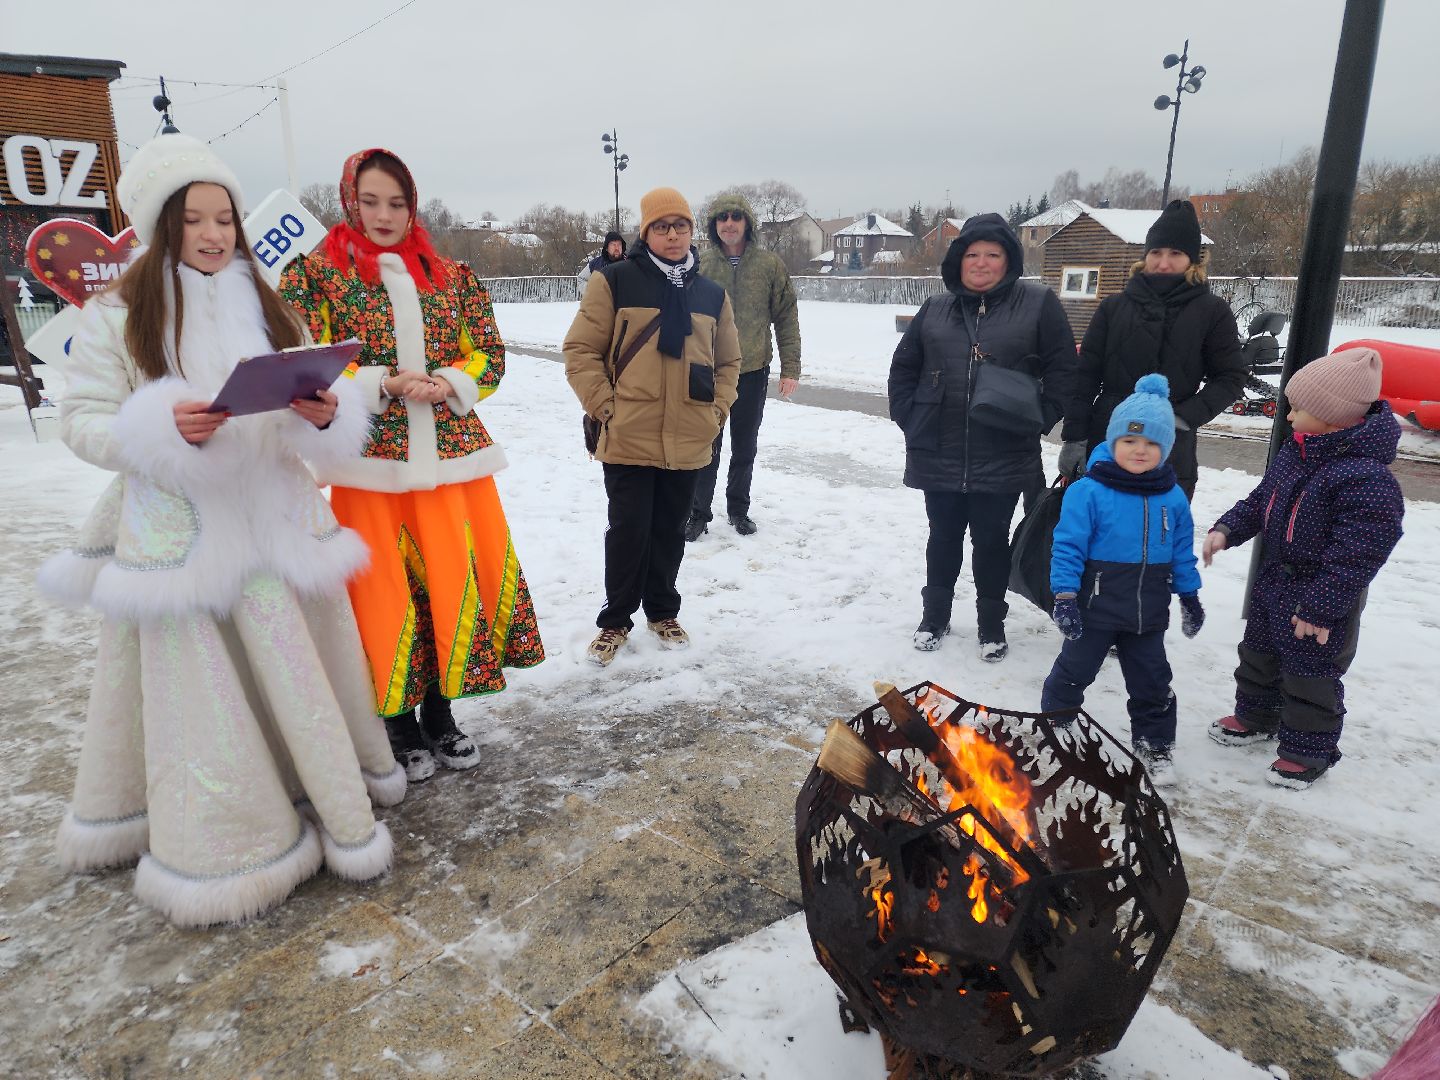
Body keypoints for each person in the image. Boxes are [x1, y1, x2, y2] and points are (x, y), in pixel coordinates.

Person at [39, 133, 402, 928]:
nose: (213, 235)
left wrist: (323, 412)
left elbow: (309, 402)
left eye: (224, 219)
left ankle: (323, 792)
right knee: (208, 695)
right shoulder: (117, 313)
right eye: (193, 220)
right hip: (185, 539)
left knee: (297, 672)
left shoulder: (268, 302)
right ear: (158, 225)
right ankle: (232, 842)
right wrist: (161, 429)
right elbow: (81, 421)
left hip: (274, 520)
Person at [281, 148, 545, 783]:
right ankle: (396, 724)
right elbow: (307, 358)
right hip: (368, 466)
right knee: (383, 593)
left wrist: (451, 381)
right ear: (349, 200)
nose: (383, 215)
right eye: (370, 201)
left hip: (454, 463)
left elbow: (488, 352)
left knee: (452, 585)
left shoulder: (452, 276)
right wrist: (379, 383)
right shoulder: (316, 278)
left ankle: (442, 715)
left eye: (396, 203)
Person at [1204, 347, 1403, 790]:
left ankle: (1307, 750)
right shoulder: (1298, 454)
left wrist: (1321, 608)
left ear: (1334, 418)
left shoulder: (1366, 480)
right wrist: (1227, 529)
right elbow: (1261, 500)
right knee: (1258, 651)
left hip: (1321, 593)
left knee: (1310, 670)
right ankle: (1256, 715)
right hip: (1276, 579)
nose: (1289, 415)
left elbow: (1357, 557)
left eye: (1299, 407)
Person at [564, 187, 742, 667]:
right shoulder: (617, 281)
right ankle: (615, 620)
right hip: (628, 433)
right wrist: (606, 408)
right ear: (646, 232)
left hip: (688, 435)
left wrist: (716, 412)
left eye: (680, 226)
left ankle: (663, 610)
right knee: (628, 530)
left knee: (668, 529)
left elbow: (729, 362)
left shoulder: (711, 294)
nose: (672, 235)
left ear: (691, 231)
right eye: (661, 227)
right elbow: (580, 350)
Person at [888, 213, 1075, 660]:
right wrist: (911, 419)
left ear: (1008, 260)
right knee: (943, 537)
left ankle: (992, 624)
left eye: (993, 254)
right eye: (973, 254)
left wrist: (1038, 418)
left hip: (1005, 452)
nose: (982, 263)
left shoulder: (1038, 303)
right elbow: (904, 368)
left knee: (992, 542)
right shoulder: (935, 308)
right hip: (940, 449)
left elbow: (1065, 370)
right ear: (959, 260)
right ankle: (935, 616)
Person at [1040, 375, 1204, 783]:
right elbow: (1067, 547)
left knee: (1153, 681)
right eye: (1130, 441)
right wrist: (1063, 596)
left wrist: (1189, 595)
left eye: (1151, 443)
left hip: (1148, 612)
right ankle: (1056, 722)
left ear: (1165, 448)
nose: (1139, 450)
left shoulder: (1171, 496)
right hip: (1094, 608)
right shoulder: (1088, 492)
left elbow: (1182, 551)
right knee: (1074, 670)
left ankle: (1154, 744)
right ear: (1114, 441)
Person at [1059, 199, 1247, 501]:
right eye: (1156, 252)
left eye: (1175, 253)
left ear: (1193, 260)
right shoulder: (1113, 308)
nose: (1163, 262)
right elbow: (1084, 377)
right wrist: (1074, 438)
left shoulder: (1212, 311)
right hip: (1107, 438)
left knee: (1158, 537)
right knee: (1095, 533)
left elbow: (1230, 377)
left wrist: (1180, 417)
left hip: (1171, 447)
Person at [685, 193, 801, 539]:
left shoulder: (769, 265)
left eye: (736, 217)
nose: (730, 223)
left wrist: (790, 367)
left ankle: (738, 509)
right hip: (708, 371)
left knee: (744, 445)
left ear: (747, 222)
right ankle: (698, 514)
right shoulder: (700, 265)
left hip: (752, 369)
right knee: (707, 444)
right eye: (723, 218)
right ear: (714, 225)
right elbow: (682, 319)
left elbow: (786, 316)